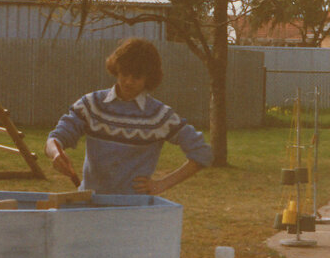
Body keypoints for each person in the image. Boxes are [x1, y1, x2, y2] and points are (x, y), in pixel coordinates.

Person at [45, 38, 212, 196]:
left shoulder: (158, 115)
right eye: (124, 74)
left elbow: (202, 153)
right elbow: (54, 139)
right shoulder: (92, 105)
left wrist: (162, 184)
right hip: (91, 204)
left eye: (137, 77)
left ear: (149, 78)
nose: (128, 82)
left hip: (135, 209)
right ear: (116, 69)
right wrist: (56, 154)